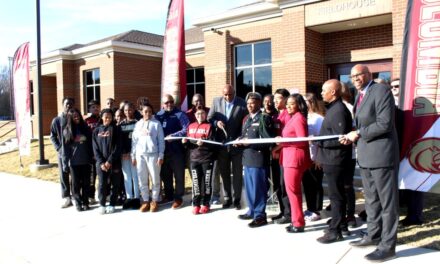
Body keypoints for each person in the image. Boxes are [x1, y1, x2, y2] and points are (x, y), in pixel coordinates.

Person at [341, 64, 399, 262]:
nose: (355, 78)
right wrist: (351, 137)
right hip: (365, 156)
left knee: (387, 203)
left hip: (382, 156)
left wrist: (357, 133)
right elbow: (362, 123)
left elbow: (384, 123)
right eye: (352, 76)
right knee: (371, 201)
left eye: (359, 75)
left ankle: (388, 246)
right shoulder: (360, 95)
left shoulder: (381, 90)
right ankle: (373, 235)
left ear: (369, 75)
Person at [315, 80, 353, 244]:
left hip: (336, 160)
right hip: (332, 159)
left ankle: (335, 230)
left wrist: (319, 142)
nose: (322, 93)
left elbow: (341, 139)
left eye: (324, 90)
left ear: (334, 92)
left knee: (336, 196)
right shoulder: (333, 109)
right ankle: (341, 223)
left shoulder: (338, 110)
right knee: (338, 195)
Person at [237, 92, 275, 227]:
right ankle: (252, 210)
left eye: (252, 103)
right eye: (248, 103)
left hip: (258, 159)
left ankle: (260, 215)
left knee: (258, 189)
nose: (249, 105)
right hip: (247, 158)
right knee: (249, 188)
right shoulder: (247, 118)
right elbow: (244, 135)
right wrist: (239, 141)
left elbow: (268, 141)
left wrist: (250, 143)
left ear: (259, 103)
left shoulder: (264, 118)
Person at [207, 84, 248, 209]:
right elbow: (209, 118)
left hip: (236, 145)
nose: (228, 97)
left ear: (234, 93)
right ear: (222, 94)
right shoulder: (216, 101)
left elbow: (246, 122)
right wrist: (216, 122)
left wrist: (241, 137)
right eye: (225, 95)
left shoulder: (242, 103)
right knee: (224, 173)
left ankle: (237, 200)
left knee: (237, 174)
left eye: (230, 94)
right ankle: (227, 198)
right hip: (222, 145)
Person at [278, 94, 311, 233]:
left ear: (299, 105)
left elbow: (303, 140)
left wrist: (283, 141)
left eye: (292, 104)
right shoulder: (293, 118)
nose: (289, 106)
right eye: (288, 103)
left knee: (293, 192)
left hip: (294, 159)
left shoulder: (298, 118)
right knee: (293, 192)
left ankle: (298, 223)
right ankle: (296, 220)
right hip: (290, 157)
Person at [155, 94, 190, 209]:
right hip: (163, 151)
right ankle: (169, 196)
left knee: (179, 175)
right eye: (166, 103)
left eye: (171, 102)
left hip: (177, 151)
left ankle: (178, 198)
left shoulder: (180, 114)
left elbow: (187, 129)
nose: (169, 104)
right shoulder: (158, 115)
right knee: (165, 175)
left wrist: (174, 136)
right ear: (162, 105)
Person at [131, 104, 165, 213]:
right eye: (145, 111)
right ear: (141, 112)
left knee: (155, 179)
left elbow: (161, 141)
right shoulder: (138, 124)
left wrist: (161, 155)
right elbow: (134, 141)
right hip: (140, 156)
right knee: (142, 179)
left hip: (153, 155)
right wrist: (133, 155)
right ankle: (145, 200)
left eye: (150, 111)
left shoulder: (156, 124)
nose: (148, 113)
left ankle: (154, 200)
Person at [183, 107, 216, 214]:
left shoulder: (209, 126)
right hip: (194, 159)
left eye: (202, 114)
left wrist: (204, 142)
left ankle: (206, 203)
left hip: (206, 158)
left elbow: (213, 142)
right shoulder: (190, 126)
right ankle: (196, 204)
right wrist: (185, 142)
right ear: (195, 115)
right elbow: (188, 144)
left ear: (205, 115)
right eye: (198, 114)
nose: (200, 116)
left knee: (206, 182)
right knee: (196, 183)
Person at [92, 109, 122, 214]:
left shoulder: (116, 129)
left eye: (109, 116)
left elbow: (118, 147)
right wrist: (101, 162)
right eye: (105, 116)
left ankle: (112, 203)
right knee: (102, 184)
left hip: (114, 162)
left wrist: (109, 161)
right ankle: (102, 204)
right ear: (102, 117)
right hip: (101, 164)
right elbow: (95, 148)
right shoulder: (96, 130)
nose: (107, 118)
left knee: (115, 184)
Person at [62, 108, 92, 212]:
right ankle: (78, 203)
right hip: (74, 163)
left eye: (78, 116)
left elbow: (90, 144)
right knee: (75, 185)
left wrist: (91, 157)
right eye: (74, 117)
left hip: (86, 161)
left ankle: (86, 202)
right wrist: (65, 163)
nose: (77, 118)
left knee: (86, 183)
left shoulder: (85, 128)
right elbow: (65, 149)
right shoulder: (66, 131)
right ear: (70, 118)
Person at [302, 93, 325, 222]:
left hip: (315, 157)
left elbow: (321, 139)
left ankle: (316, 210)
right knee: (307, 184)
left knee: (316, 183)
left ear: (311, 102)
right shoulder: (303, 117)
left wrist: (319, 158)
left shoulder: (318, 118)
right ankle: (310, 208)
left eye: (306, 101)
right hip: (306, 156)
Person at [271, 88, 292, 224]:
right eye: (274, 99)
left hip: (285, 155)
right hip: (277, 156)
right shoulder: (278, 115)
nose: (275, 101)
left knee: (285, 186)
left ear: (285, 99)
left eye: (278, 98)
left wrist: (277, 148)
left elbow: (289, 137)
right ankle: (282, 210)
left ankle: (288, 213)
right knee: (278, 186)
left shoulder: (288, 115)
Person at [50, 97, 75, 208]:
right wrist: (59, 148)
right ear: (63, 105)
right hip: (62, 153)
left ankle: (75, 196)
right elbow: (53, 136)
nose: (68, 105)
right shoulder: (57, 120)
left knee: (74, 175)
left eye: (71, 104)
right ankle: (66, 198)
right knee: (63, 175)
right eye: (66, 104)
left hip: (75, 152)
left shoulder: (76, 118)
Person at [341, 83, 357, 228]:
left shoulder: (349, 108)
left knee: (347, 185)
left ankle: (350, 215)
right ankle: (341, 214)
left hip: (349, 154)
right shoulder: (333, 109)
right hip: (338, 154)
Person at [120, 102, 141, 210]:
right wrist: (124, 152)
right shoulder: (121, 124)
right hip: (124, 155)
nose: (128, 112)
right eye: (125, 110)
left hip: (135, 155)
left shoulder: (138, 123)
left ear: (133, 110)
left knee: (135, 176)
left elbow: (138, 141)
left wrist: (132, 153)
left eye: (130, 110)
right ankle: (129, 198)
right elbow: (120, 141)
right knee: (127, 177)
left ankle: (137, 198)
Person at [85, 100, 101, 205]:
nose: (95, 109)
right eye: (93, 107)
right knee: (92, 176)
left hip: (101, 151)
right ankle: (91, 196)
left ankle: (104, 194)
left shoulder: (103, 118)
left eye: (97, 107)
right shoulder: (87, 121)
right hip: (91, 152)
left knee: (103, 175)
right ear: (89, 109)